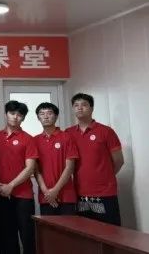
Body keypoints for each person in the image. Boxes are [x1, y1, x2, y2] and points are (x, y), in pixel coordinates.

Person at [66, 93, 124, 226]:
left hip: (105, 193)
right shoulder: (68, 133)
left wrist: (105, 177)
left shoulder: (106, 131)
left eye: (84, 105)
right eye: (76, 105)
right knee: (85, 231)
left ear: (91, 108)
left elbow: (119, 160)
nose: (80, 108)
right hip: (80, 193)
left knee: (110, 232)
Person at [0, 101, 37, 254]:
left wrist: (11, 185)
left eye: (19, 115)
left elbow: (30, 168)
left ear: (23, 118)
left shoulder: (28, 139)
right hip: (1, 193)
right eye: (12, 113)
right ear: (6, 114)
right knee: (7, 235)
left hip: (23, 195)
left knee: (27, 235)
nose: (15, 117)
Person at [34, 102, 78, 216]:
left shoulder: (67, 137)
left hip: (66, 196)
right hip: (46, 197)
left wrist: (55, 190)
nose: (46, 116)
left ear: (56, 116)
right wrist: (46, 191)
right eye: (42, 114)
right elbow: (36, 170)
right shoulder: (34, 141)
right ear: (38, 117)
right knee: (47, 227)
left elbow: (70, 167)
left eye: (49, 113)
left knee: (68, 227)